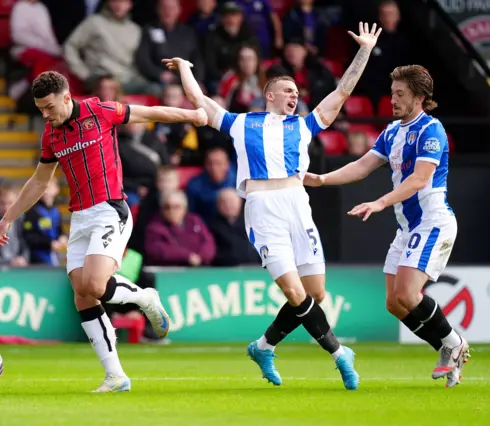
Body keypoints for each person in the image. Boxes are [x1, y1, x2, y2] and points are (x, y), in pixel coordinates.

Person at [163, 22, 382, 390]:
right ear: (269, 95)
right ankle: (339, 353)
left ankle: (263, 347)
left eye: (296, 91)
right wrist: (186, 67)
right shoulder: (241, 123)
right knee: (295, 294)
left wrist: (363, 50)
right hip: (263, 208)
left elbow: (343, 91)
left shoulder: (306, 125)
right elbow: (199, 101)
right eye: (287, 91)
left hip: (298, 204)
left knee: (315, 293)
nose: (294, 95)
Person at [0, 70, 208, 393]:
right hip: (79, 217)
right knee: (82, 292)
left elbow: (150, 113)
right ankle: (115, 375)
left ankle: (145, 298)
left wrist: (193, 115)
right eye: (40, 110)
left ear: (67, 97)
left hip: (110, 208)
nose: (46, 115)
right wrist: (7, 218)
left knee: (94, 282)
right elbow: (39, 181)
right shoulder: (51, 135)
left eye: (49, 107)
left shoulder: (100, 111)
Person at [304, 65, 470, 388]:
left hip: (433, 221)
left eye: (400, 94)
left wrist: (380, 203)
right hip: (408, 228)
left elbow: (420, 179)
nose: (392, 100)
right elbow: (363, 166)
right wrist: (322, 179)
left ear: (420, 97)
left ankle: (453, 342)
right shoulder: (392, 132)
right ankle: (448, 348)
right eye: (392, 93)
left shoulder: (430, 131)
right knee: (394, 303)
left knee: (408, 293)